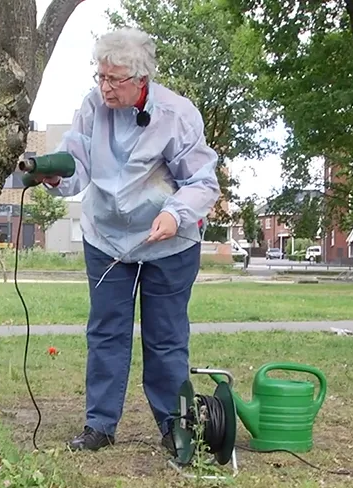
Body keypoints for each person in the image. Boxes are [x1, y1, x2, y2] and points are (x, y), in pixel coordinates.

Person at [35, 27, 220, 453]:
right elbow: (77, 169)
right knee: (105, 332)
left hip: (168, 241)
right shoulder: (92, 107)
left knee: (166, 337)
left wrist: (175, 214)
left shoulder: (176, 113)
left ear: (141, 79)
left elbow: (202, 181)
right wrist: (56, 177)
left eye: (114, 79)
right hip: (105, 237)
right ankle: (99, 425)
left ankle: (176, 426)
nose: (104, 87)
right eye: (100, 77)